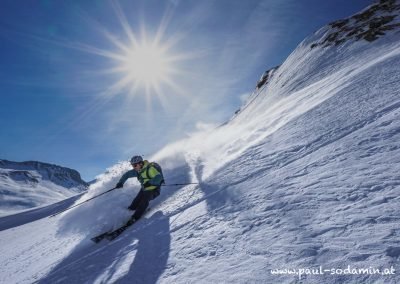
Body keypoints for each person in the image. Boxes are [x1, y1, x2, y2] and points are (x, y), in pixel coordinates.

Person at [115, 155, 164, 223]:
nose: (134, 167)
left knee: (144, 201)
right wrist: (120, 183)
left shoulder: (150, 169)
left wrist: (149, 183)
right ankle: (129, 212)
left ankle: (135, 217)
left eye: (135, 165)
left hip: (154, 190)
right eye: (132, 165)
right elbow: (127, 175)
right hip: (144, 189)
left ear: (140, 163)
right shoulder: (137, 171)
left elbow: (158, 177)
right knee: (135, 201)